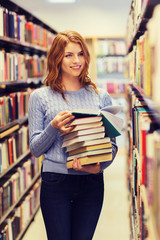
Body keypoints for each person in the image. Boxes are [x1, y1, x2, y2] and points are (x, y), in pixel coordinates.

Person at [28, 30, 118, 240]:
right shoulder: (39, 97)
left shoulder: (101, 96)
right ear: (56, 58)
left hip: (91, 182)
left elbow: (112, 144)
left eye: (81, 54)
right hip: (55, 182)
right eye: (68, 55)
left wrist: (99, 166)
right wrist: (53, 127)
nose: (76, 60)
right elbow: (35, 149)